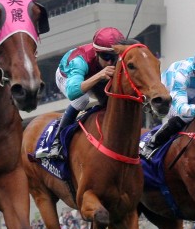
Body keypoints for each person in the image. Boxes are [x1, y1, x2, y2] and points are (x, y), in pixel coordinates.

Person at [35, 27, 126, 159]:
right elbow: (73, 92)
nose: (110, 62)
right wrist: (100, 75)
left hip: (93, 74)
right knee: (82, 100)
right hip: (67, 76)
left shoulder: (114, 59)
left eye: (114, 57)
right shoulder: (79, 61)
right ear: (96, 53)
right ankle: (57, 141)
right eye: (106, 57)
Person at [140, 46, 195, 160]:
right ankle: (151, 144)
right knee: (185, 115)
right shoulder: (182, 74)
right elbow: (181, 108)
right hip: (169, 95)